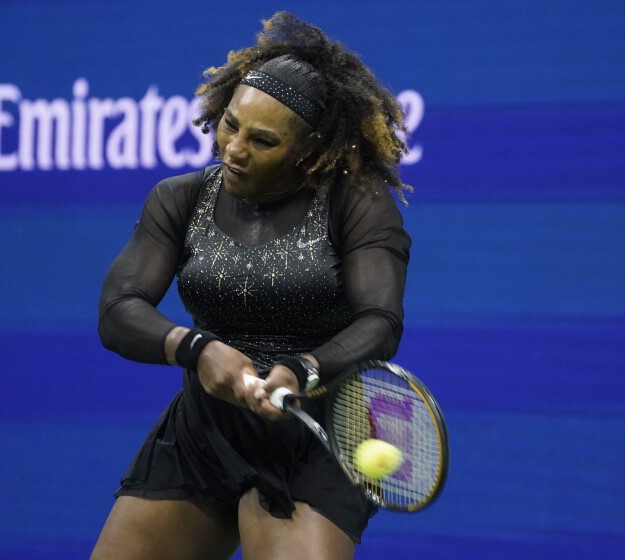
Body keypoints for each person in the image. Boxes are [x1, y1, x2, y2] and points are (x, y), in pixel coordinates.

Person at [92, 11, 413, 560]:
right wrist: (196, 349)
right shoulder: (180, 198)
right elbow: (118, 310)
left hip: (324, 427)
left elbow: (380, 323)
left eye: (262, 140)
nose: (233, 148)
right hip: (206, 428)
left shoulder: (356, 203)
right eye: (230, 124)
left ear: (309, 151)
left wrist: (299, 370)